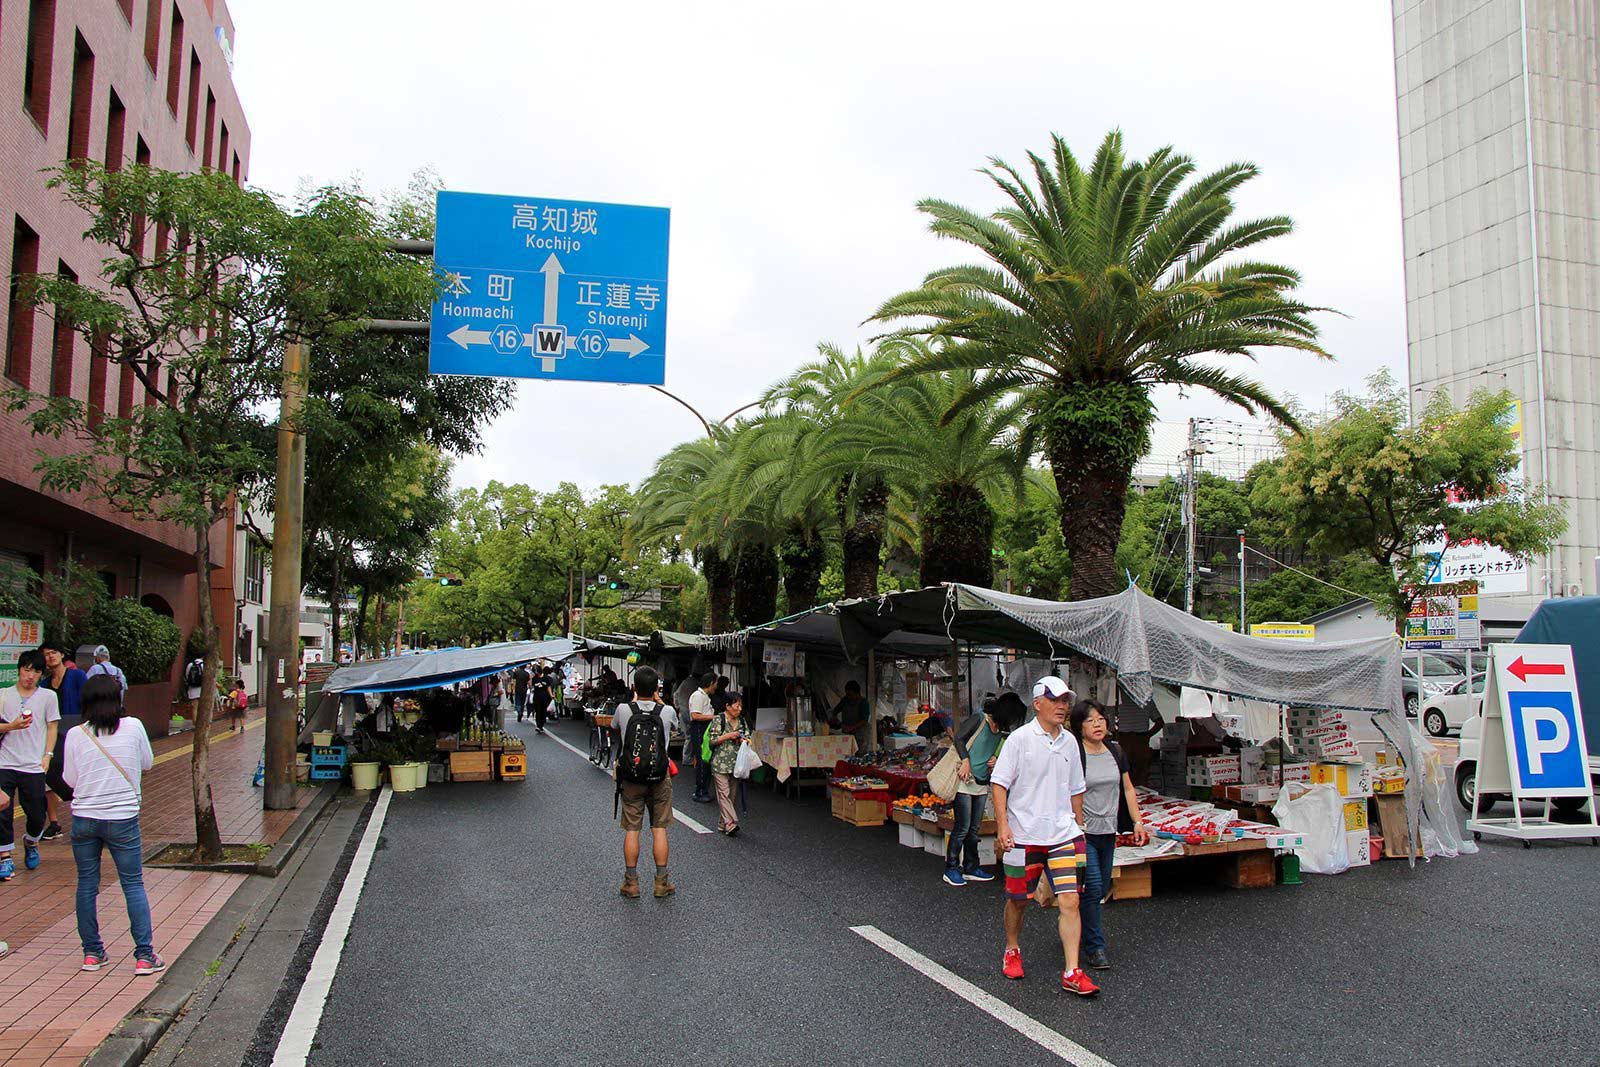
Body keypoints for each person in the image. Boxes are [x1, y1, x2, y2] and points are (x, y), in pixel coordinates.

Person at [990, 676, 1099, 997]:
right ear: (1038, 703)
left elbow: (1076, 788)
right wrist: (1003, 825)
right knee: (1018, 899)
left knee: (1070, 900)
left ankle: (1072, 970)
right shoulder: (1019, 740)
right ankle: (1012, 948)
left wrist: (1078, 824)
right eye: (1055, 700)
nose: (1062, 706)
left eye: (1066, 700)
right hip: (1024, 835)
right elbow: (999, 783)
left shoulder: (1070, 743)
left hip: (1064, 835)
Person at [64, 675, 162, 975]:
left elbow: (69, 779)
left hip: (84, 818)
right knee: (132, 884)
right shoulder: (133, 726)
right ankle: (145, 956)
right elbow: (147, 763)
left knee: (86, 885)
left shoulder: (76, 734)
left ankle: (92, 954)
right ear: (118, 698)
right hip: (122, 819)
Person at [1070, 698, 1149, 971]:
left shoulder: (1115, 751)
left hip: (1109, 831)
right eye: (1090, 720)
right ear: (1079, 726)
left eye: (1101, 719)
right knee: (1092, 886)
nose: (1097, 724)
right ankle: (1095, 947)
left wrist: (1137, 822)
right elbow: (1072, 792)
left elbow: (1127, 788)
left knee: (1101, 887)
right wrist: (1077, 826)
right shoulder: (1076, 753)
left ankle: (1075, 924)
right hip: (1084, 832)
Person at [944, 692, 1028, 887]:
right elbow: (958, 738)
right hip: (965, 780)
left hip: (982, 782)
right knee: (962, 827)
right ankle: (951, 868)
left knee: (974, 829)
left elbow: (993, 753)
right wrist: (965, 760)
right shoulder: (979, 719)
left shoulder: (1001, 732)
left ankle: (971, 867)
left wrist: (994, 759)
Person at [612, 667, 678, 899]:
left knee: (632, 829)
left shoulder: (623, 709)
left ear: (634, 688)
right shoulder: (667, 711)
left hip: (631, 778)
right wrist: (660, 701)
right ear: (657, 689)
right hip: (660, 777)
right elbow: (676, 727)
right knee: (658, 828)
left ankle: (631, 883)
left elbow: (614, 727)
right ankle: (661, 883)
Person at [0, 649, 62, 880]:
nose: (30, 675)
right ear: (18, 669)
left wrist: (47, 755)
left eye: (36, 671)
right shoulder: (3, 695)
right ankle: (5, 857)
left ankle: (31, 841)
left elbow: (53, 727)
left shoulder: (48, 697)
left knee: (37, 813)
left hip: (33, 765)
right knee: (2, 813)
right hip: (4, 763)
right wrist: (11, 727)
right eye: (27, 670)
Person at [40, 642, 88, 840]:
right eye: (46, 654)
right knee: (48, 775)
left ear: (61, 655)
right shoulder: (44, 683)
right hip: (53, 733)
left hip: (77, 730)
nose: (50, 657)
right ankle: (53, 822)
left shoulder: (77, 675)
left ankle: (84, 819)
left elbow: (87, 700)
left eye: (54, 653)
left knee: (80, 775)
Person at [705, 690, 751, 835]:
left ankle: (722, 824)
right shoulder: (719, 720)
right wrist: (729, 736)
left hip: (736, 764)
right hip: (720, 763)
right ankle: (730, 823)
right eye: (736, 706)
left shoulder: (742, 721)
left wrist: (744, 739)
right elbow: (712, 741)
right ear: (727, 706)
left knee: (731, 795)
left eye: (740, 706)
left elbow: (749, 737)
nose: (739, 709)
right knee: (724, 794)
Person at [686, 672, 716, 804]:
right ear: (710, 683)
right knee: (702, 760)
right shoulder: (698, 696)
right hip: (699, 728)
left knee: (706, 759)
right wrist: (715, 717)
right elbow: (695, 716)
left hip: (705, 728)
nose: (716, 686)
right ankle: (700, 791)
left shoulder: (705, 696)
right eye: (715, 683)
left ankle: (704, 789)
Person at [829, 680, 870, 747]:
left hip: (860, 736)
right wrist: (834, 717)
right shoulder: (845, 700)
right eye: (847, 694)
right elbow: (836, 710)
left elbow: (864, 720)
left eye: (851, 695)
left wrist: (851, 727)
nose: (848, 697)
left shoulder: (863, 703)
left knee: (859, 754)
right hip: (846, 734)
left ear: (857, 693)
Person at [529, 664, 554, 734]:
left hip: (545, 697)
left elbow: (548, 687)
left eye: (537, 672)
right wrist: (531, 678)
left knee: (543, 712)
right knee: (538, 711)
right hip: (536, 697)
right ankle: (538, 726)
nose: (537, 673)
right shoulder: (534, 678)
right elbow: (531, 687)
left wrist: (551, 695)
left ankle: (541, 725)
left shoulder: (546, 678)